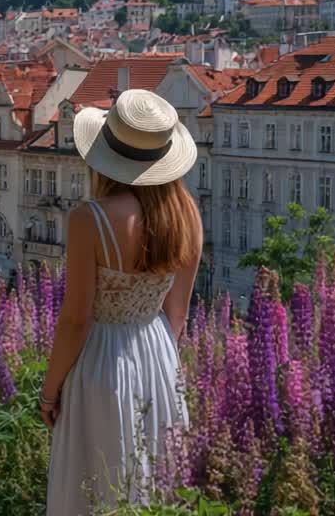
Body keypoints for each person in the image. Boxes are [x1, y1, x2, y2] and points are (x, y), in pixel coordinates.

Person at [41, 89, 203, 515]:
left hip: (103, 361)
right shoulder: (187, 215)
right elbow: (178, 314)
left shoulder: (89, 218)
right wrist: (158, 363)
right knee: (157, 485)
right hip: (159, 355)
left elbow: (76, 320)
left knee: (97, 483)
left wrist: (49, 391)